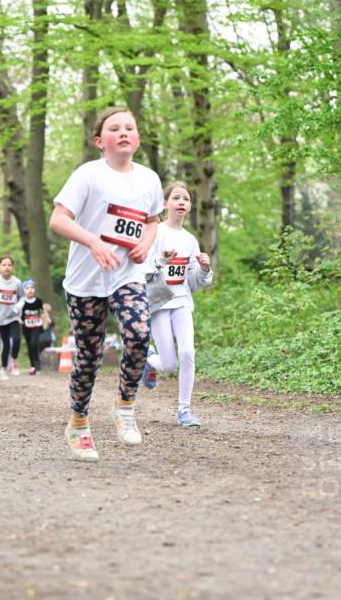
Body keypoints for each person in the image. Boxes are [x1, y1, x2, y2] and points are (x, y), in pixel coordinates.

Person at [49, 106, 163, 461]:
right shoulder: (88, 175)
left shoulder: (149, 179)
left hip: (126, 275)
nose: (123, 132)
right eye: (115, 128)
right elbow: (58, 219)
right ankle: (79, 424)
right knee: (89, 357)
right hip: (85, 281)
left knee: (139, 334)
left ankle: (125, 407)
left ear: (138, 139)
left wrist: (146, 243)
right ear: (100, 141)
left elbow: (152, 220)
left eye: (130, 127)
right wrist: (94, 243)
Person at [141, 181, 213, 426]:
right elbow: (141, 270)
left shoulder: (190, 240)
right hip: (159, 303)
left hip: (182, 302)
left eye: (186, 199)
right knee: (169, 364)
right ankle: (150, 359)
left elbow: (193, 281)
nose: (181, 202)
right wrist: (161, 260)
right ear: (165, 203)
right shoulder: (154, 232)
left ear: (190, 207)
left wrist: (204, 269)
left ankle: (184, 410)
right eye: (176, 198)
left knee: (187, 352)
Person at [0, 256, 24, 380]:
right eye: (4, 265)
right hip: (0, 317)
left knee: (17, 339)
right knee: (6, 345)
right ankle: (3, 368)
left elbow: (22, 297)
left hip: (14, 316)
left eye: (9, 265)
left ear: (12, 267)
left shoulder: (17, 282)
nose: (7, 267)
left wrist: (18, 307)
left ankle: (14, 360)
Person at [14, 280, 44, 375]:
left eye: (32, 288)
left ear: (34, 289)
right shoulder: (22, 302)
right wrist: (19, 319)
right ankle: (33, 366)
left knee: (34, 344)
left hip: (37, 326)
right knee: (29, 346)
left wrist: (46, 318)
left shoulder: (38, 300)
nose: (30, 290)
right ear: (24, 290)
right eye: (27, 288)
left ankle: (37, 365)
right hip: (26, 328)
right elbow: (16, 312)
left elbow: (43, 310)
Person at [36, 302, 56, 369]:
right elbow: (51, 323)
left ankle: (38, 367)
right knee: (49, 354)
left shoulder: (38, 318)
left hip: (40, 338)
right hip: (48, 338)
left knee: (38, 353)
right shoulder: (51, 319)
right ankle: (49, 366)